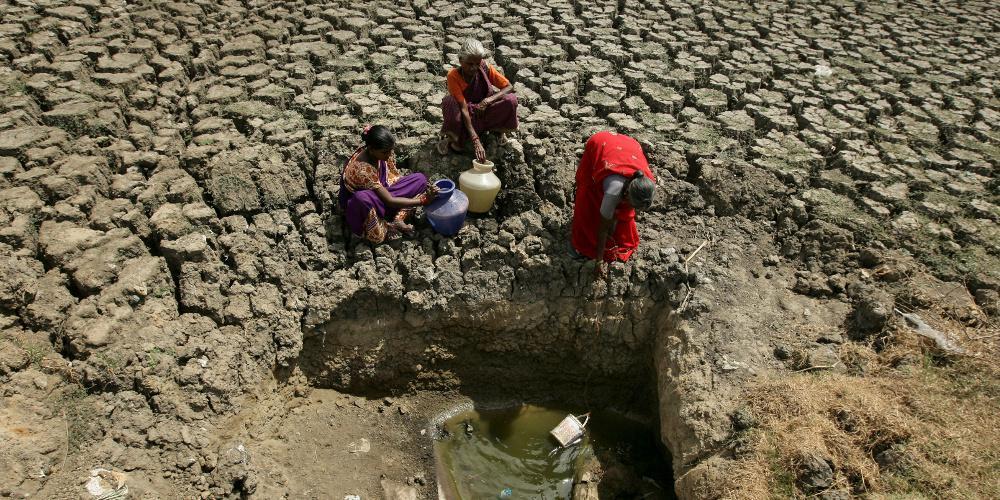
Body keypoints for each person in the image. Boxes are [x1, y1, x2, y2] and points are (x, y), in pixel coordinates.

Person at [570, 131, 656, 276]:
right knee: (587, 201)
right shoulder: (613, 191)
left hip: (629, 147)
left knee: (619, 216)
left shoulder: (646, 184)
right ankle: (579, 242)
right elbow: (603, 229)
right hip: (600, 143)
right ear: (627, 194)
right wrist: (598, 261)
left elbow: (625, 209)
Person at [339, 125, 437, 243]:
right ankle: (385, 226)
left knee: (420, 180)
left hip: (382, 192)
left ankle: (397, 219)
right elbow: (389, 200)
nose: (389, 155)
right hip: (367, 204)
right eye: (385, 152)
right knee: (361, 199)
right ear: (371, 149)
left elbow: (389, 181)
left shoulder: (376, 153)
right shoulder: (362, 170)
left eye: (391, 150)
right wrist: (424, 200)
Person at [438, 38, 518, 162]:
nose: (474, 68)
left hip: (485, 111)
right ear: (460, 60)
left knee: (510, 100)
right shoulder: (453, 76)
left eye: (477, 63)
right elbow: (463, 108)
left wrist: (488, 101)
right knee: (449, 102)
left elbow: (509, 87)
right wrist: (476, 141)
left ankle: (496, 131)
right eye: (470, 64)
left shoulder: (484, 67)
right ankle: (454, 138)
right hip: (467, 116)